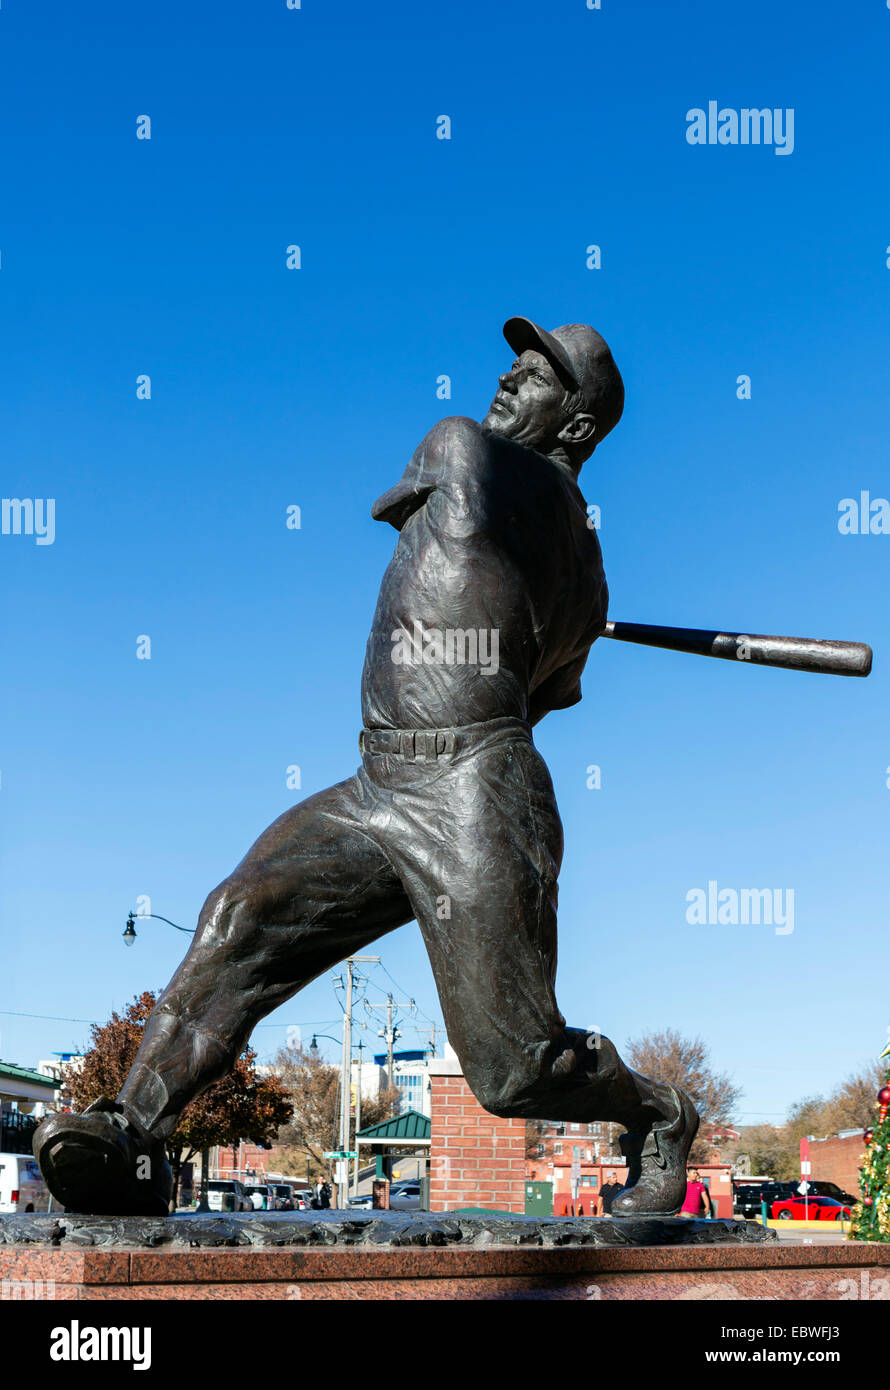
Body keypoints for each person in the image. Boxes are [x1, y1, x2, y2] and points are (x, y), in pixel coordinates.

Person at [34, 316, 699, 1219]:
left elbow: (499, 633)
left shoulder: (464, 448)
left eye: (536, 375)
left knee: (512, 1072)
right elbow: (553, 686)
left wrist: (557, 563)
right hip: (381, 781)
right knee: (242, 916)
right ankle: (129, 1132)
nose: (507, 379)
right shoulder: (584, 566)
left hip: (476, 791)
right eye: (512, 363)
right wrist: (563, 576)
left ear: (576, 426)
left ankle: (658, 1111)